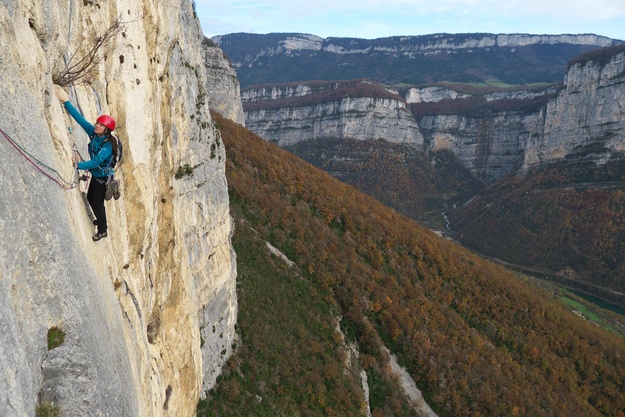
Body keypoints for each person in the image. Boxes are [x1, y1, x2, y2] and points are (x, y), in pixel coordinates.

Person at [55, 86, 118, 241]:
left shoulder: (107, 146)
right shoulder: (94, 133)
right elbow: (80, 120)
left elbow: (96, 161)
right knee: (91, 199)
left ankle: (103, 230)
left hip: (102, 178)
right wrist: (66, 102)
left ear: (107, 130)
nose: (97, 126)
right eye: (97, 123)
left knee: (97, 203)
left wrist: (78, 165)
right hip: (97, 174)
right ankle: (101, 222)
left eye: (101, 125)